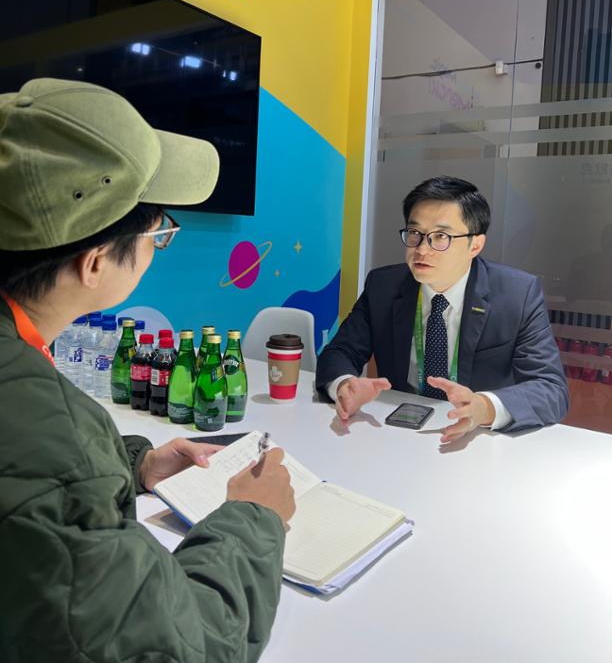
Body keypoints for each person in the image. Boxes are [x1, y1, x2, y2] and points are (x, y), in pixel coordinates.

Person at [0, 78, 295, 662]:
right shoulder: (47, 437)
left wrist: (132, 463)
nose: (158, 247)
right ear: (94, 262)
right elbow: (181, 647)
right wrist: (254, 518)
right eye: (159, 232)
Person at [316, 176, 568, 443]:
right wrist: (344, 385)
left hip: (477, 439)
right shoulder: (384, 286)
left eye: (440, 237)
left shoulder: (517, 294)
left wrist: (485, 407)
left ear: (475, 245)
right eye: (415, 233)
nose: (422, 249)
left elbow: (551, 389)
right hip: (396, 432)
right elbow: (340, 352)